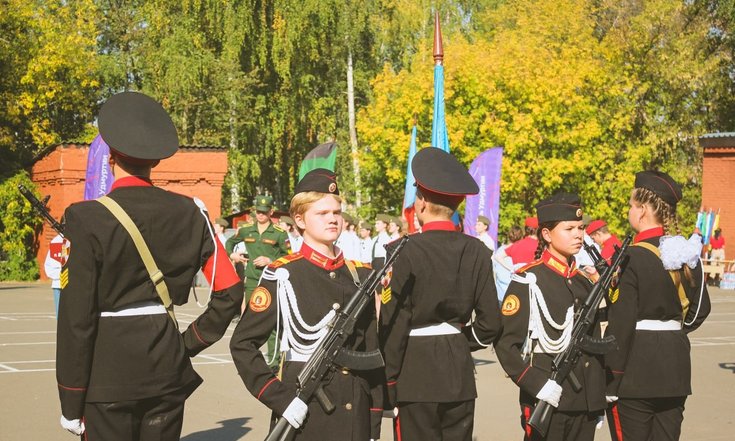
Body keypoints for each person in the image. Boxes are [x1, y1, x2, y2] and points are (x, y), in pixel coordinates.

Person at [55, 91, 244, 440]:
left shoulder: (85, 219)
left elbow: (75, 320)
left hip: (108, 378)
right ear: (155, 161)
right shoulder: (192, 212)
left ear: (110, 157)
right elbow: (230, 290)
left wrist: (70, 399)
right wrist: (187, 343)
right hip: (167, 370)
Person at [229, 168, 383, 440]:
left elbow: (371, 352)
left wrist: (372, 422)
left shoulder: (361, 275)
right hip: (304, 409)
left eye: (336, 212)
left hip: (353, 412)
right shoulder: (284, 274)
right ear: (299, 219)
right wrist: (279, 398)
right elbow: (242, 343)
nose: (333, 219)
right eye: (322, 213)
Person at [380, 147, 502, 441]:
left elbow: (394, 323)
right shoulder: (477, 250)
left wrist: (389, 379)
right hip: (457, 372)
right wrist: (457, 340)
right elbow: (491, 323)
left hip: (414, 373)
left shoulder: (402, 251)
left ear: (420, 203)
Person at [605, 171, 711, 441]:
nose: (629, 210)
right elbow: (700, 310)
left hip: (635, 374)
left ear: (641, 210)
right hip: (675, 368)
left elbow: (622, 323)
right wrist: (671, 331)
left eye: (631, 205)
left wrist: (611, 378)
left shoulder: (631, 256)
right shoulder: (687, 252)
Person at [495, 192, 606, 441]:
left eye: (581, 228)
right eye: (569, 229)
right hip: (547, 395)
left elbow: (595, 344)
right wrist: (535, 384)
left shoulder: (583, 281)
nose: (579, 234)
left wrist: (597, 397)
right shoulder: (528, 280)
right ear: (546, 234)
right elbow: (505, 344)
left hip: (584, 401)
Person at [493, 225, 524, 303]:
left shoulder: (500, 250)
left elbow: (495, 271)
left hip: (500, 293)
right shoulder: (521, 251)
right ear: (521, 237)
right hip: (516, 294)